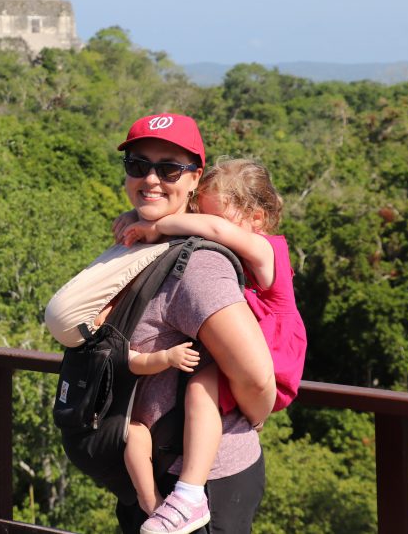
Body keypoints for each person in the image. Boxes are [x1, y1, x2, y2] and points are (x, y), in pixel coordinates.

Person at [46, 113, 276, 534]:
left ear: (195, 179)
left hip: (202, 484)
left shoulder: (199, 265)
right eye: (138, 165)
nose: (150, 178)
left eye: (169, 168)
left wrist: (255, 416)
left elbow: (258, 379)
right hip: (148, 474)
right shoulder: (144, 241)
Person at [114, 158, 307, 533]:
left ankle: (189, 493)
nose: (205, 231)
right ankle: (163, 497)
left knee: (202, 387)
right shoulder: (227, 244)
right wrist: (133, 215)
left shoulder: (269, 250)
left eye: (214, 221)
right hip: (245, 352)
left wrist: (155, 225)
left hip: (274, 354)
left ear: (256, 220)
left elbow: (216, 229)